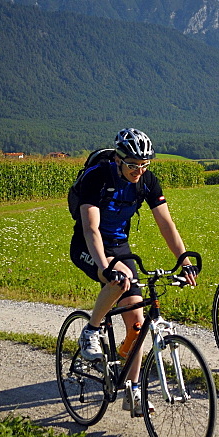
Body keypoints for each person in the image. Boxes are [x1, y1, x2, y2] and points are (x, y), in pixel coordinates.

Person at [69, 127, 197, 415]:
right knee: (119, 283)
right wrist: (104, 268)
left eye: (144, 164)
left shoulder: (147, 181)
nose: (138, 170)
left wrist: (184, 259)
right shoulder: (97, 177)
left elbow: (166, 224)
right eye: (132, 165)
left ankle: (133, 391)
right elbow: (90, 228)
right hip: (88, 245)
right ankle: (90, 331)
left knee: (138, 323)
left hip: (119, 244)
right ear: (117, 159)